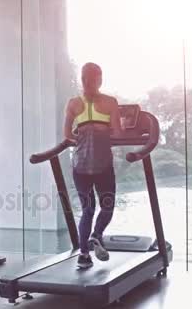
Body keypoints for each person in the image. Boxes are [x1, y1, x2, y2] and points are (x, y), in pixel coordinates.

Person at [63, 62, 122, 269]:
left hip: (80, 166)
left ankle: (84, 255)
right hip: (103, 165)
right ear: (100, 79)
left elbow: (68, 135)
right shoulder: (110, 102)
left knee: (87, 210)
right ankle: (96, 235)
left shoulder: (72, 103)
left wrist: (83, 134)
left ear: (82, 79)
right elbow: (117, 132)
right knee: (107, 207)